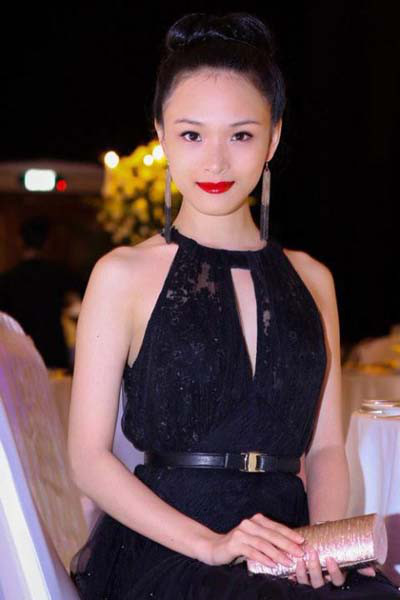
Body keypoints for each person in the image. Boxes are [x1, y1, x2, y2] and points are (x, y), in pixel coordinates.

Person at [67, 12, 400, 599]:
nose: (216, 162)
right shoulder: (121, 275)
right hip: (171, 551)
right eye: (192, 135)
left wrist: (322, 544)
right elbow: (88, 459)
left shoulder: (313, 279)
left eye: (241, 135)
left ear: (273, 138)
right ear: (161, 133)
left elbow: (325, 449)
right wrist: (212, 545)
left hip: (290, 546)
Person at [0, 215, 84, 369]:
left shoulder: (8, 279)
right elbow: (85, 292)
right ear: (47, 243)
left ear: (20, 241)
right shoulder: (59, 274)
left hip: (18, 353)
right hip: (53, 349)